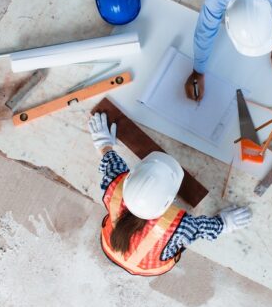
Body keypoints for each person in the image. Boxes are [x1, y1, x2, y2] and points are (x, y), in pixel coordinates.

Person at [87, 112, 252, 276]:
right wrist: (225, 223)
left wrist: (103, 143)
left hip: (110, 246)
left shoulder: (114, 187)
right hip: (148, 267)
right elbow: (200, 229)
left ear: (129, 178)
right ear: (169, 202)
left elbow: (110, 164)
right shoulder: (177, 227)